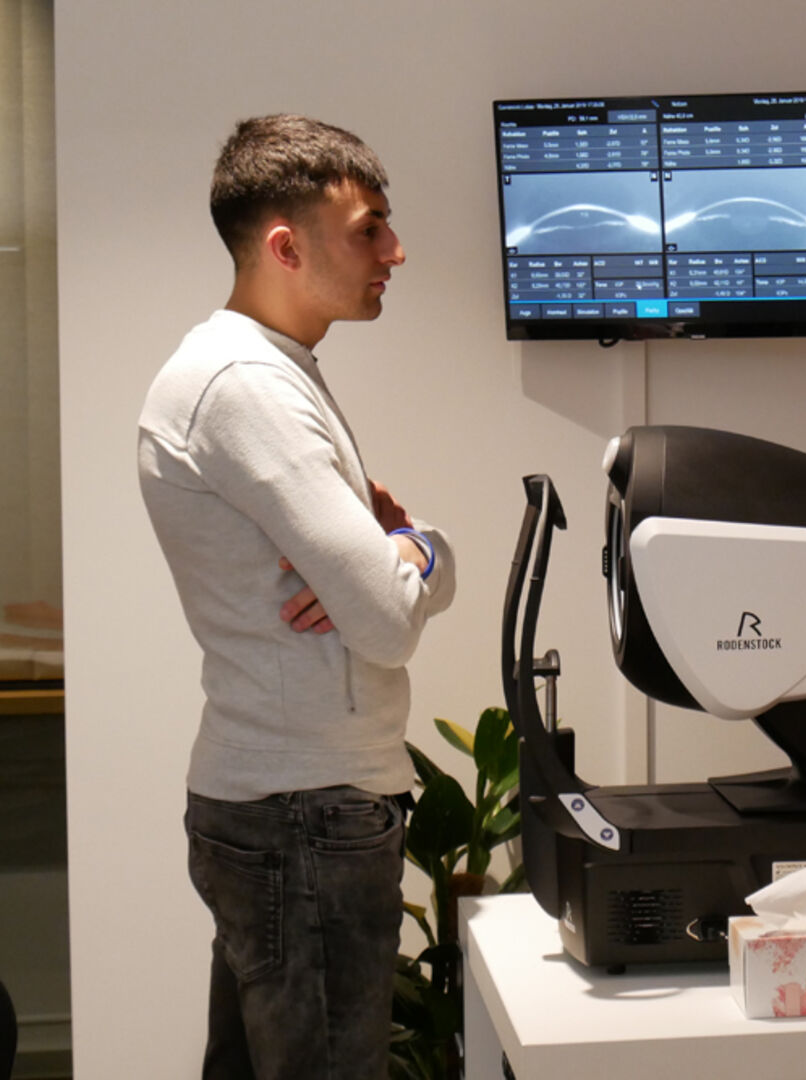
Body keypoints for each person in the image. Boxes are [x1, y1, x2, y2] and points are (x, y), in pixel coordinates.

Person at [138, 115, 455, 1079]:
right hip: (303, 810)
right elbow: (388, 621)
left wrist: (406, 548)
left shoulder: (269, 371)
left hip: (289, 805)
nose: (395, 251)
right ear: (285, 246)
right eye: (369, 229)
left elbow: (407, 569)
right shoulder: (246, 386)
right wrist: (401, 558)